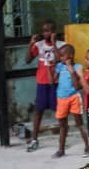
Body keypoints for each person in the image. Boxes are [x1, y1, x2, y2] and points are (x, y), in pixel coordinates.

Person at [24, 20, 64, 151]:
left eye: (48, 30)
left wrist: (53, 43)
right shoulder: (39, 45)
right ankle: (34, 139)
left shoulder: (62, 45)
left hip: (57, 82)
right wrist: (31, 44)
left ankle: (62, 142)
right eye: (44, 31)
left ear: (54, 31)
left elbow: (60, 60)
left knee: (59, 111)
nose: (45, 33)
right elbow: (28, 60)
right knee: (38, 110)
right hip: (42, 81)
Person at [53, 44, 89, 159]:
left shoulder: (78, 67)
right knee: (62, 125)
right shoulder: (59, 66)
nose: (61, 58)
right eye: (60, 56)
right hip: (61, 98)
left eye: (63, 56)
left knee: (79, 123)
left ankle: (87, 146)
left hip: (73, 97)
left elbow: (77, 86)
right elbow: (53, 80)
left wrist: (71, 71)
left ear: (70, 56)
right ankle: (61, 149)